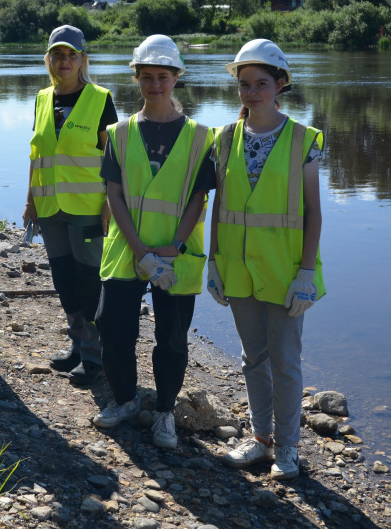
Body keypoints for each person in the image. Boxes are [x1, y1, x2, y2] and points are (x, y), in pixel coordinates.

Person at [209, 39, 326, 481]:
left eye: (261, 83)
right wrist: (213, 263)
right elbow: (221, 208)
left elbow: (313, 211)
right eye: (244, 85)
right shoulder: (225, 138)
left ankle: (288, 449)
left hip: (284, 272)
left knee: (286, 361)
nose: (252, 92)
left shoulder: (302, 140)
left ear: (280, 85)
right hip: (238, 270)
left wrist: (307, 272)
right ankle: (260, 442)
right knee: (252, 359)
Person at [92, 35, 215, 450]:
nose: (155, 84)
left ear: (177, 78)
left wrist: (175, 246)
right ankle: (126, 400)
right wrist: (140, 252)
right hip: (128, 249)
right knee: (112, 326)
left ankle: (164, 412)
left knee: (173, 337)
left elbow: (199, 197)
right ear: (137, 79)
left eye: (163, 76)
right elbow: (115, 195)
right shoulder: (120, 132)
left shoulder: (201, 136)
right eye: (146, 76)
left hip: (176, 253)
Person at [23, 25, 119, 386]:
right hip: (49, 208)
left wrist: (112, 201)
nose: (65, 61)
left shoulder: (100, 98)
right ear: (49, 59)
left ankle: (94, 357)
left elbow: (114, 157)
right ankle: (77, 347)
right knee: (64, 281)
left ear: (83, 59)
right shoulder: (42, 98)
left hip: (88, 207)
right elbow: (37, 155)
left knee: (89, 282)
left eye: (71, 55)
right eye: (58, 55)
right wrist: (29, 200)